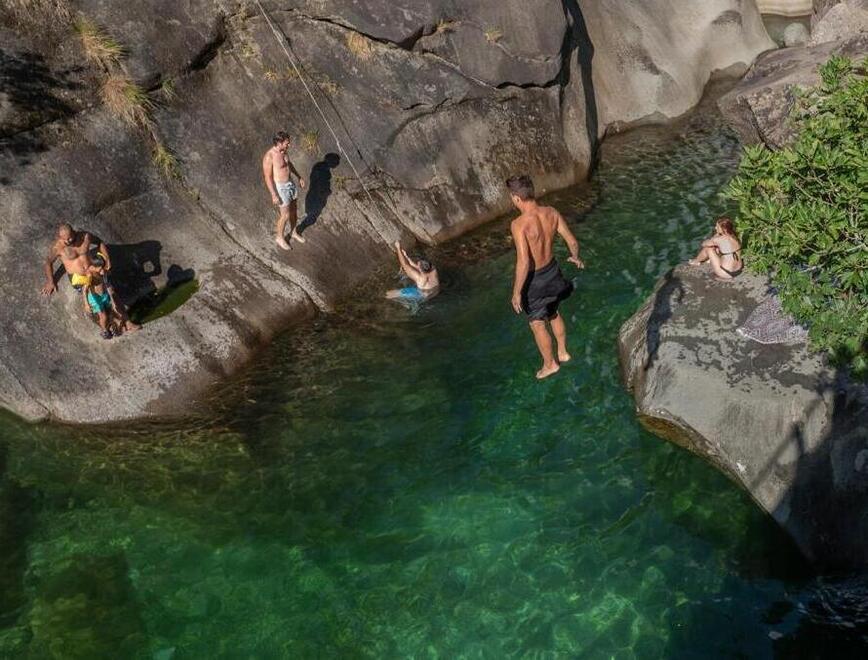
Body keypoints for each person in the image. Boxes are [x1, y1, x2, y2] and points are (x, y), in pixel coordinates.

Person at [507, 175, 584, 380]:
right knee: (553, 310)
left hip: (535, 281)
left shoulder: (519, 224)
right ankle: (563, 352)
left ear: (516, 198)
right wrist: (575, 257)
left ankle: (550, 364)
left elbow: (523, 262)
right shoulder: (551, 212)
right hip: (553, 272)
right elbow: (572, 241)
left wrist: (516, 292)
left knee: (537, 323)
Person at [40, 223, 140, 332]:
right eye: (65, 240)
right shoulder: (58, 248)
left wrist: (107, 259)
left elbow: (99, 242)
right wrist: (51, 281)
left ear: (74, 232)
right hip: (78, 277)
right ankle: (109, 326)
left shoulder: (85, 237)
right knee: (96, 299)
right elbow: (48, 262)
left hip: (92, 270)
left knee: (111, 292)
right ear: (60, 238)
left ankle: (127, 322)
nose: (69, 241)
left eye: (70, 237)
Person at [262, 131, 307, 250]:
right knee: (285, 215)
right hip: (281, 188)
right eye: (287, 143)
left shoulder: (284, 151)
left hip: (290, 183)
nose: (289, 145)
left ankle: (293, 232)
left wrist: (299, 177)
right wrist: (273, 194)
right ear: (279, 142)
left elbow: (289, 164)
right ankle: (279, 237)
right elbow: (267, 177)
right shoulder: (270, 156)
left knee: (294, 211)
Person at [81, 255, 117, 340]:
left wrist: (112, 298)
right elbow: (84, 290)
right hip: (94, 297)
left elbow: (106, 282)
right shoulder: (89, 274)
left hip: (103, 295)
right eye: (100, 268)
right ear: (94, 266)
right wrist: (86, 304)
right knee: (103, 315)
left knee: (110, 311)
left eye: (102, 268)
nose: (102, 270)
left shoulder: (101, 271)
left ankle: (110, 326)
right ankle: (104, 331)